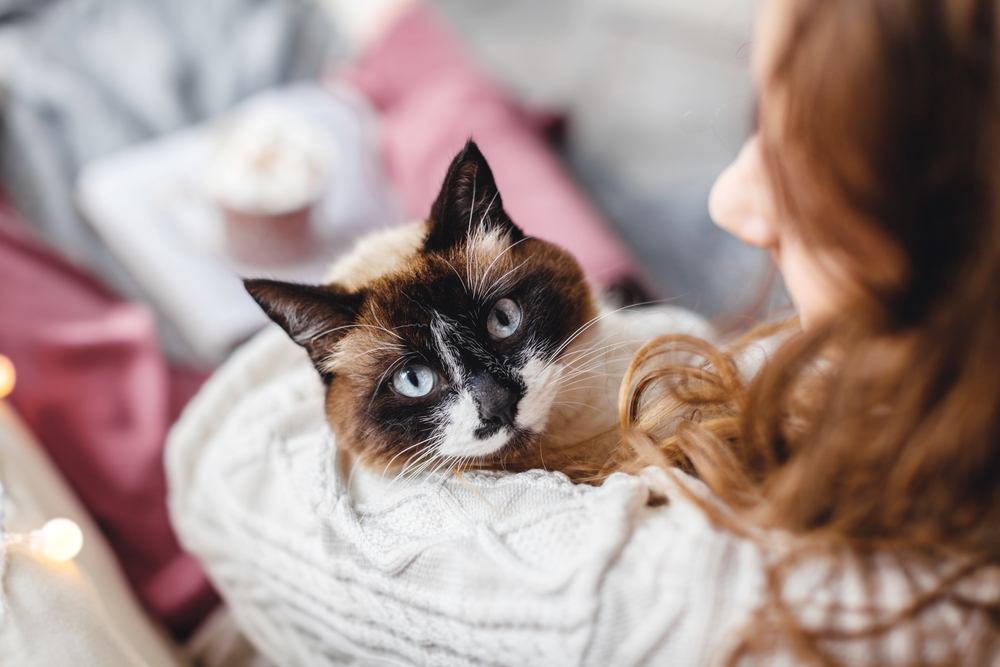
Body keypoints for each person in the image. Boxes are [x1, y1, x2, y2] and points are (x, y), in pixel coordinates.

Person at [168, 0, 999, 664]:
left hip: (635, 314)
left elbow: (213, 459)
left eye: (804, 147)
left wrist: (375, 308)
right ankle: (414, 62)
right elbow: (663, 340)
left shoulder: (733, 611)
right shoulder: (919, 390)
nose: (734, 197)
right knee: (523, 201)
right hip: (616, 313)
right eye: (759, 119)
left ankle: (412, 59)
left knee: (495, 163)